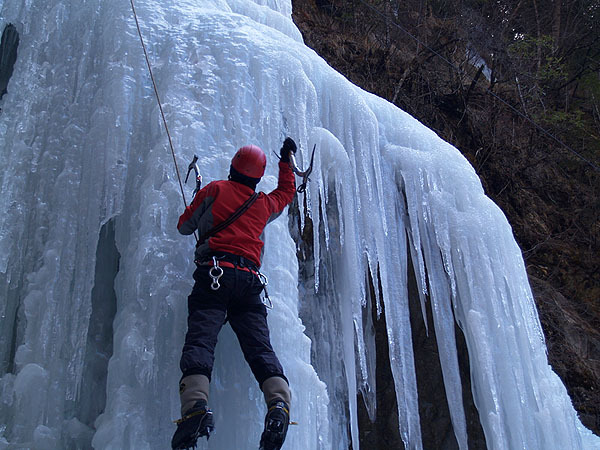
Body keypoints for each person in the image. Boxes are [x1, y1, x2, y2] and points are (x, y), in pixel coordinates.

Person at [172, 138, 298, 450]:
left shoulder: (214, 189)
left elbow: (184, 226)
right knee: (261, 350)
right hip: (250, 283)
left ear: (232, 168)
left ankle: (195, 409)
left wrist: (198, 210)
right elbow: (285, 194)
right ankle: (279, 406)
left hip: (214, 276)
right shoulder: (263, 204)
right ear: (257, 178)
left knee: (201, 341)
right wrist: (286, 161)